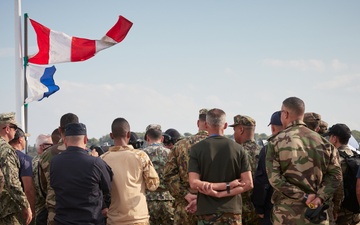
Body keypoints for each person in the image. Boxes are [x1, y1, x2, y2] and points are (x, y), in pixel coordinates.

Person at [266, 97, 343, 225]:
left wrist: (304, 196)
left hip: (287, 216)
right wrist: (320, 197)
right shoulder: (325, 144)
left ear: (285, 114)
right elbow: (336, 176)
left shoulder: (276, 142)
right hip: (316, 215)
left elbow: (275, 179)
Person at [188, 108, 253, 225]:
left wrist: (215, 191)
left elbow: (193, 183)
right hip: (231, 210)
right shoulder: (239, 149)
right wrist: (226, 188)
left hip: (206, 211)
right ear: (226, 125)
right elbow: (248, 183)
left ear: (206, 125)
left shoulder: (196, 149)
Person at [50, 123, 112, 225]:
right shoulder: (95, 163)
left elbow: (53, 185)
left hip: (63, 220)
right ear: (85, 139)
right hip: (90, 220)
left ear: (65, 140)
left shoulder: (55, 162)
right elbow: (108, 187)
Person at [101, 117, 160, 225]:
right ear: (128, 134)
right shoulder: (141, 156)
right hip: (138, 218)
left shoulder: (102, 160)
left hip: (114, 219)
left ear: (111, 135)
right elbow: (153, 185)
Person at [164, 108, 209, 225]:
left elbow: (169, 176)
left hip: (185, 207)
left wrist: (186, 195)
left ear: (198, 123)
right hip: (213, 206)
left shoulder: (180, 145)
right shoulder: (221, 146)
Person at [38, 113, 79, 225]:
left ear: (60, 130)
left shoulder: (46, 155)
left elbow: (42, 187)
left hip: (56, 212)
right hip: (81, 213)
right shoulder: (87, 155)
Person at [251, 111, 283, 225]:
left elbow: (262, 180)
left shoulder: (270, 148)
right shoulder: (305, 145)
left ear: (273, 128)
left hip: (273, 208)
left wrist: (259, 207)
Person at [324, 123, 360, 225]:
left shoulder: (335, 160)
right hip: (355, 212)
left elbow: (337, 187)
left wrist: (335, 209)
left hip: (341, 213)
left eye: (330, 137)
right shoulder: (356, 156)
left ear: (334, 139)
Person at [0, 112, 32, 225]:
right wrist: (25, 205)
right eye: (15, 127)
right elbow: (12, 181)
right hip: (5, 209)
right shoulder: (6, 150)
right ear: (7, 129)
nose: (16, 131)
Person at [230, 114, 260, 225]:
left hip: (242, 207)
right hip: (261, 208)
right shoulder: (264, 151)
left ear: (241, 129)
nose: (234, 133)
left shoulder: (237, 153)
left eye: (235, 129)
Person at [143, 124, 174, 225]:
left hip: (148, 200)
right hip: (168, 200)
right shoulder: (170, 153)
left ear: (147, 137)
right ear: (162, 138)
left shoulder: (141, 154)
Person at [9, 128, 35, 222]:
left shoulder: (3, 156)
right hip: (18, 209)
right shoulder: (25, 159)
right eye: (25, 138)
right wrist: (31, 211)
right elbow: (28, 189)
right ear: (20, 139)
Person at [32, 134, 53, 225]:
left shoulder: (37, 161)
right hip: (43, 209)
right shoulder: (38, 163)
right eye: (51, 145)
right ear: (42, 146)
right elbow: (41, 189)